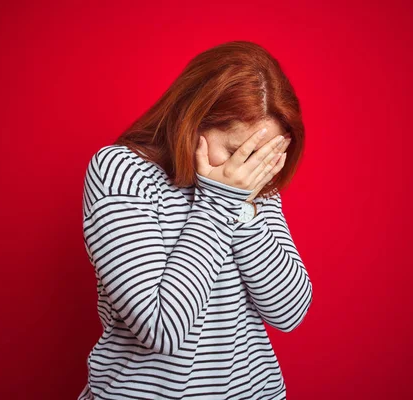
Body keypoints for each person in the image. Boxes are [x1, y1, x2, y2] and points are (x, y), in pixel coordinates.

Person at [78, 41, 313, 400]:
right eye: (235, 151)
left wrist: (245, 209)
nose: (245, 168)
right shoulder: (122, 173)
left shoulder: (252, 183)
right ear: (192, 120)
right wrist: (219, 203)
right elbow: (163, 329)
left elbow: (289, 311)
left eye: (258, 157)